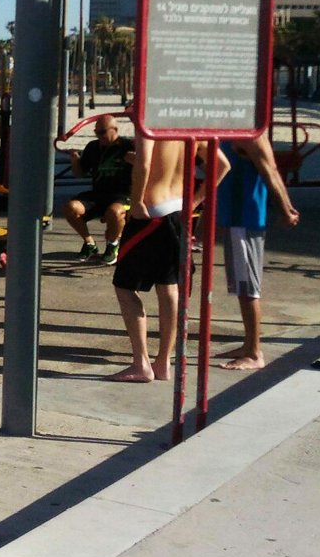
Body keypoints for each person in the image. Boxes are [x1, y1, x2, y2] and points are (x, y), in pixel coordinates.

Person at [108, 134, 228, 383]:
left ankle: (141, 362)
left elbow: (146, 162)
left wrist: (138, 200)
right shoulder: (185, 123)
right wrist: (194, 201)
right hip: (176, 208)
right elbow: (222, 165)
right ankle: (164, 361)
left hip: (151, 211)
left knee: (124, 286)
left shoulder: (150, 121)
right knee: (169, 286)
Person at [215, 133, 299, 371]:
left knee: (248, 286)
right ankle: (248, 345)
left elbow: (269, 170)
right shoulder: (235, 132)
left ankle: (253, 352)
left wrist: (285, 209)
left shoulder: (250, 135)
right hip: (235, 218)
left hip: (245, 218)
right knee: (242, 287)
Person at [61, 114, 136, 265]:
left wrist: (137, 161)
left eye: (102, 132)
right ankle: (89, 243)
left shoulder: (128, 146)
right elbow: (80, 173)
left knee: (114, 212)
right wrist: (75, 160)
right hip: (98, 194)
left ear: (114, 130)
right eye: (96, 132)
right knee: (71, 207)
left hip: (121, 194)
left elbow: (146, 168)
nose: (99, 136)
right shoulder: (93, 147)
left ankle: (112, 244)